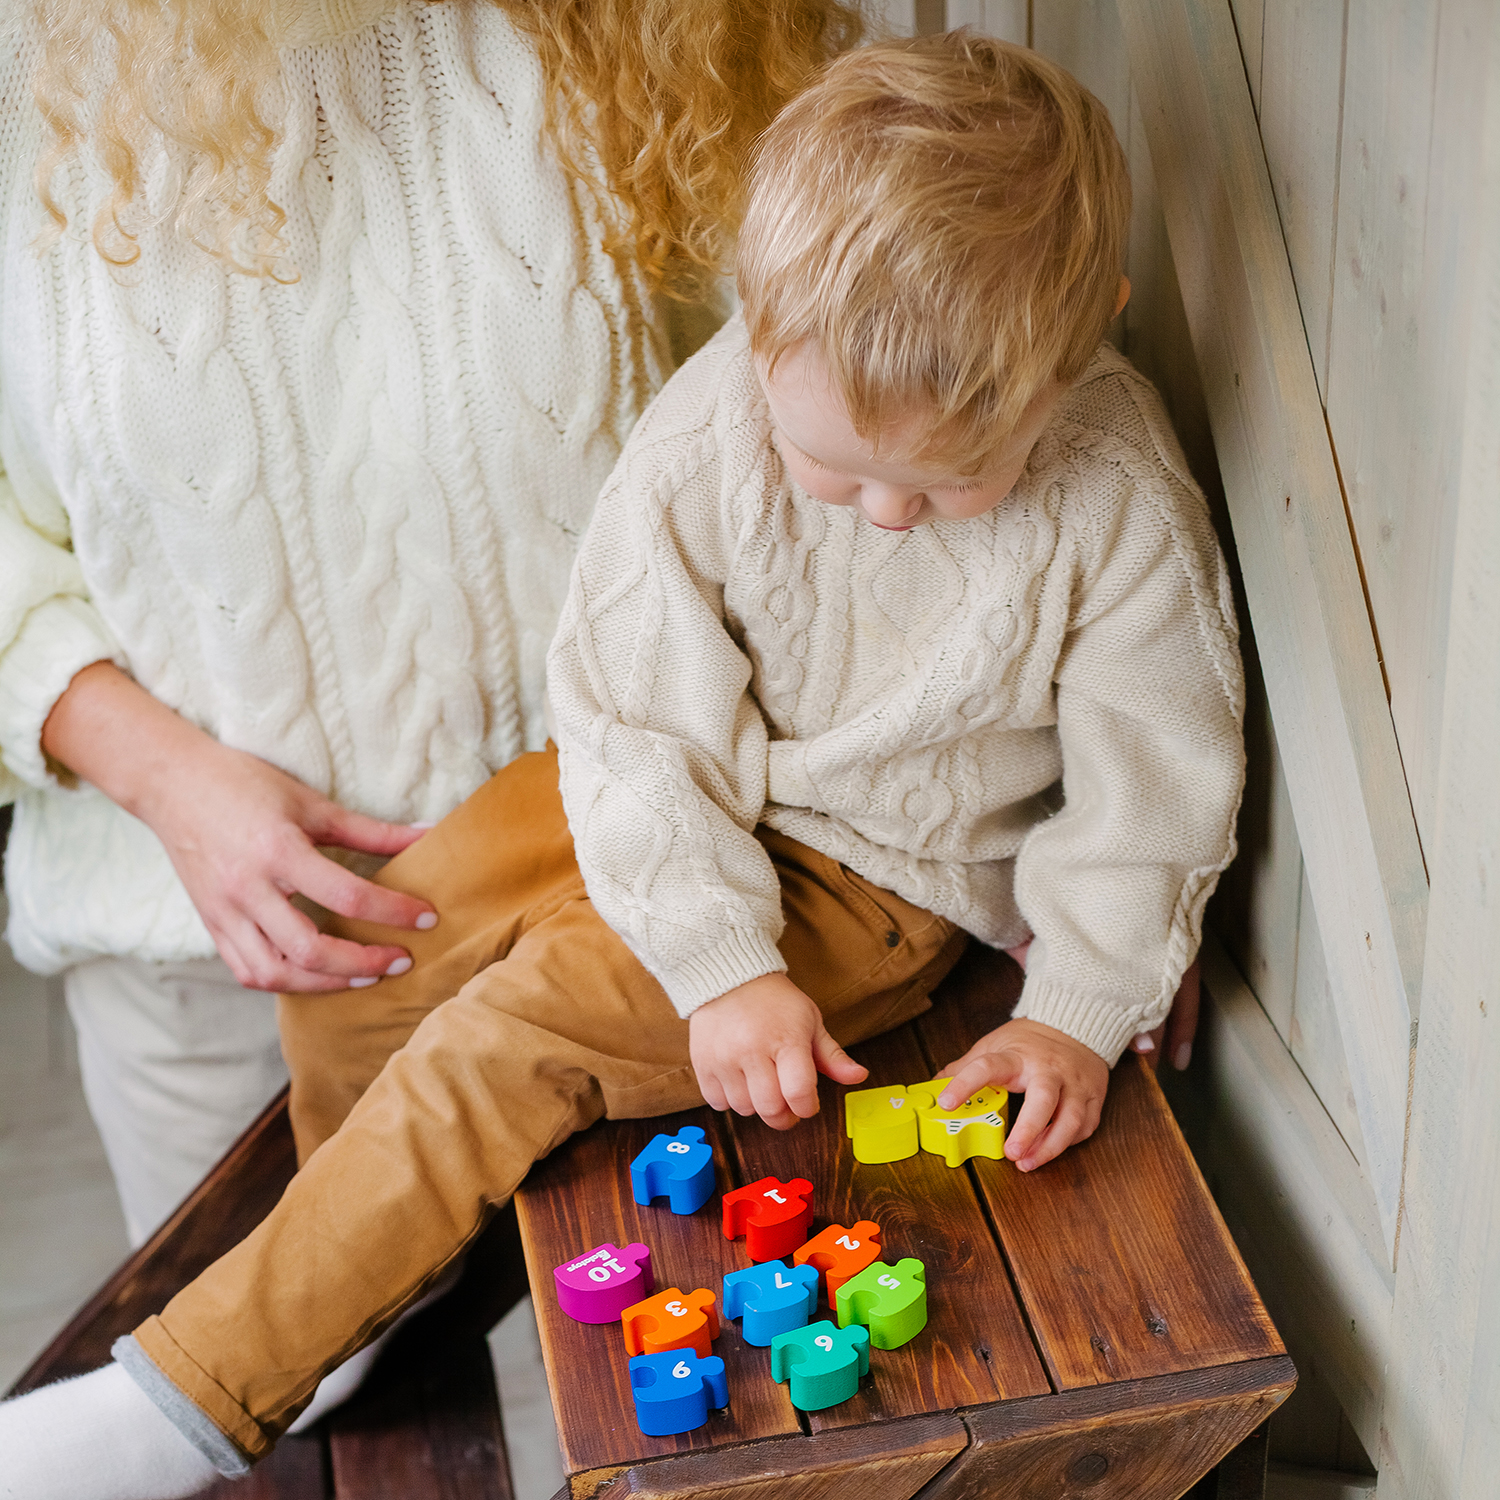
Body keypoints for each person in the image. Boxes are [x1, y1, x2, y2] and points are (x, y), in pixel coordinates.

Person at [0, 31, 1242, 1497]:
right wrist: (712, 940)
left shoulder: (1118, 496)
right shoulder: (722, 413)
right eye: (834, 470)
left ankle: (192, 1398)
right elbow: (632, 707)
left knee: (499, 1050)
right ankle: (349, 1282)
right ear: (761, 315)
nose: (891, 516)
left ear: (1087, 326)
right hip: (659, 786)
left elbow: (1156, 787)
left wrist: (1083, 1005)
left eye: (963, 476)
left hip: (872, 875)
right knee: (365, 951)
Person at [0, 0, 863, 1246]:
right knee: (291, 1390)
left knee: (687, 1360)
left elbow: (858, 415)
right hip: (216, 955)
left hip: (652, 897)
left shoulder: (669, 22)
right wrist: (169, 780)